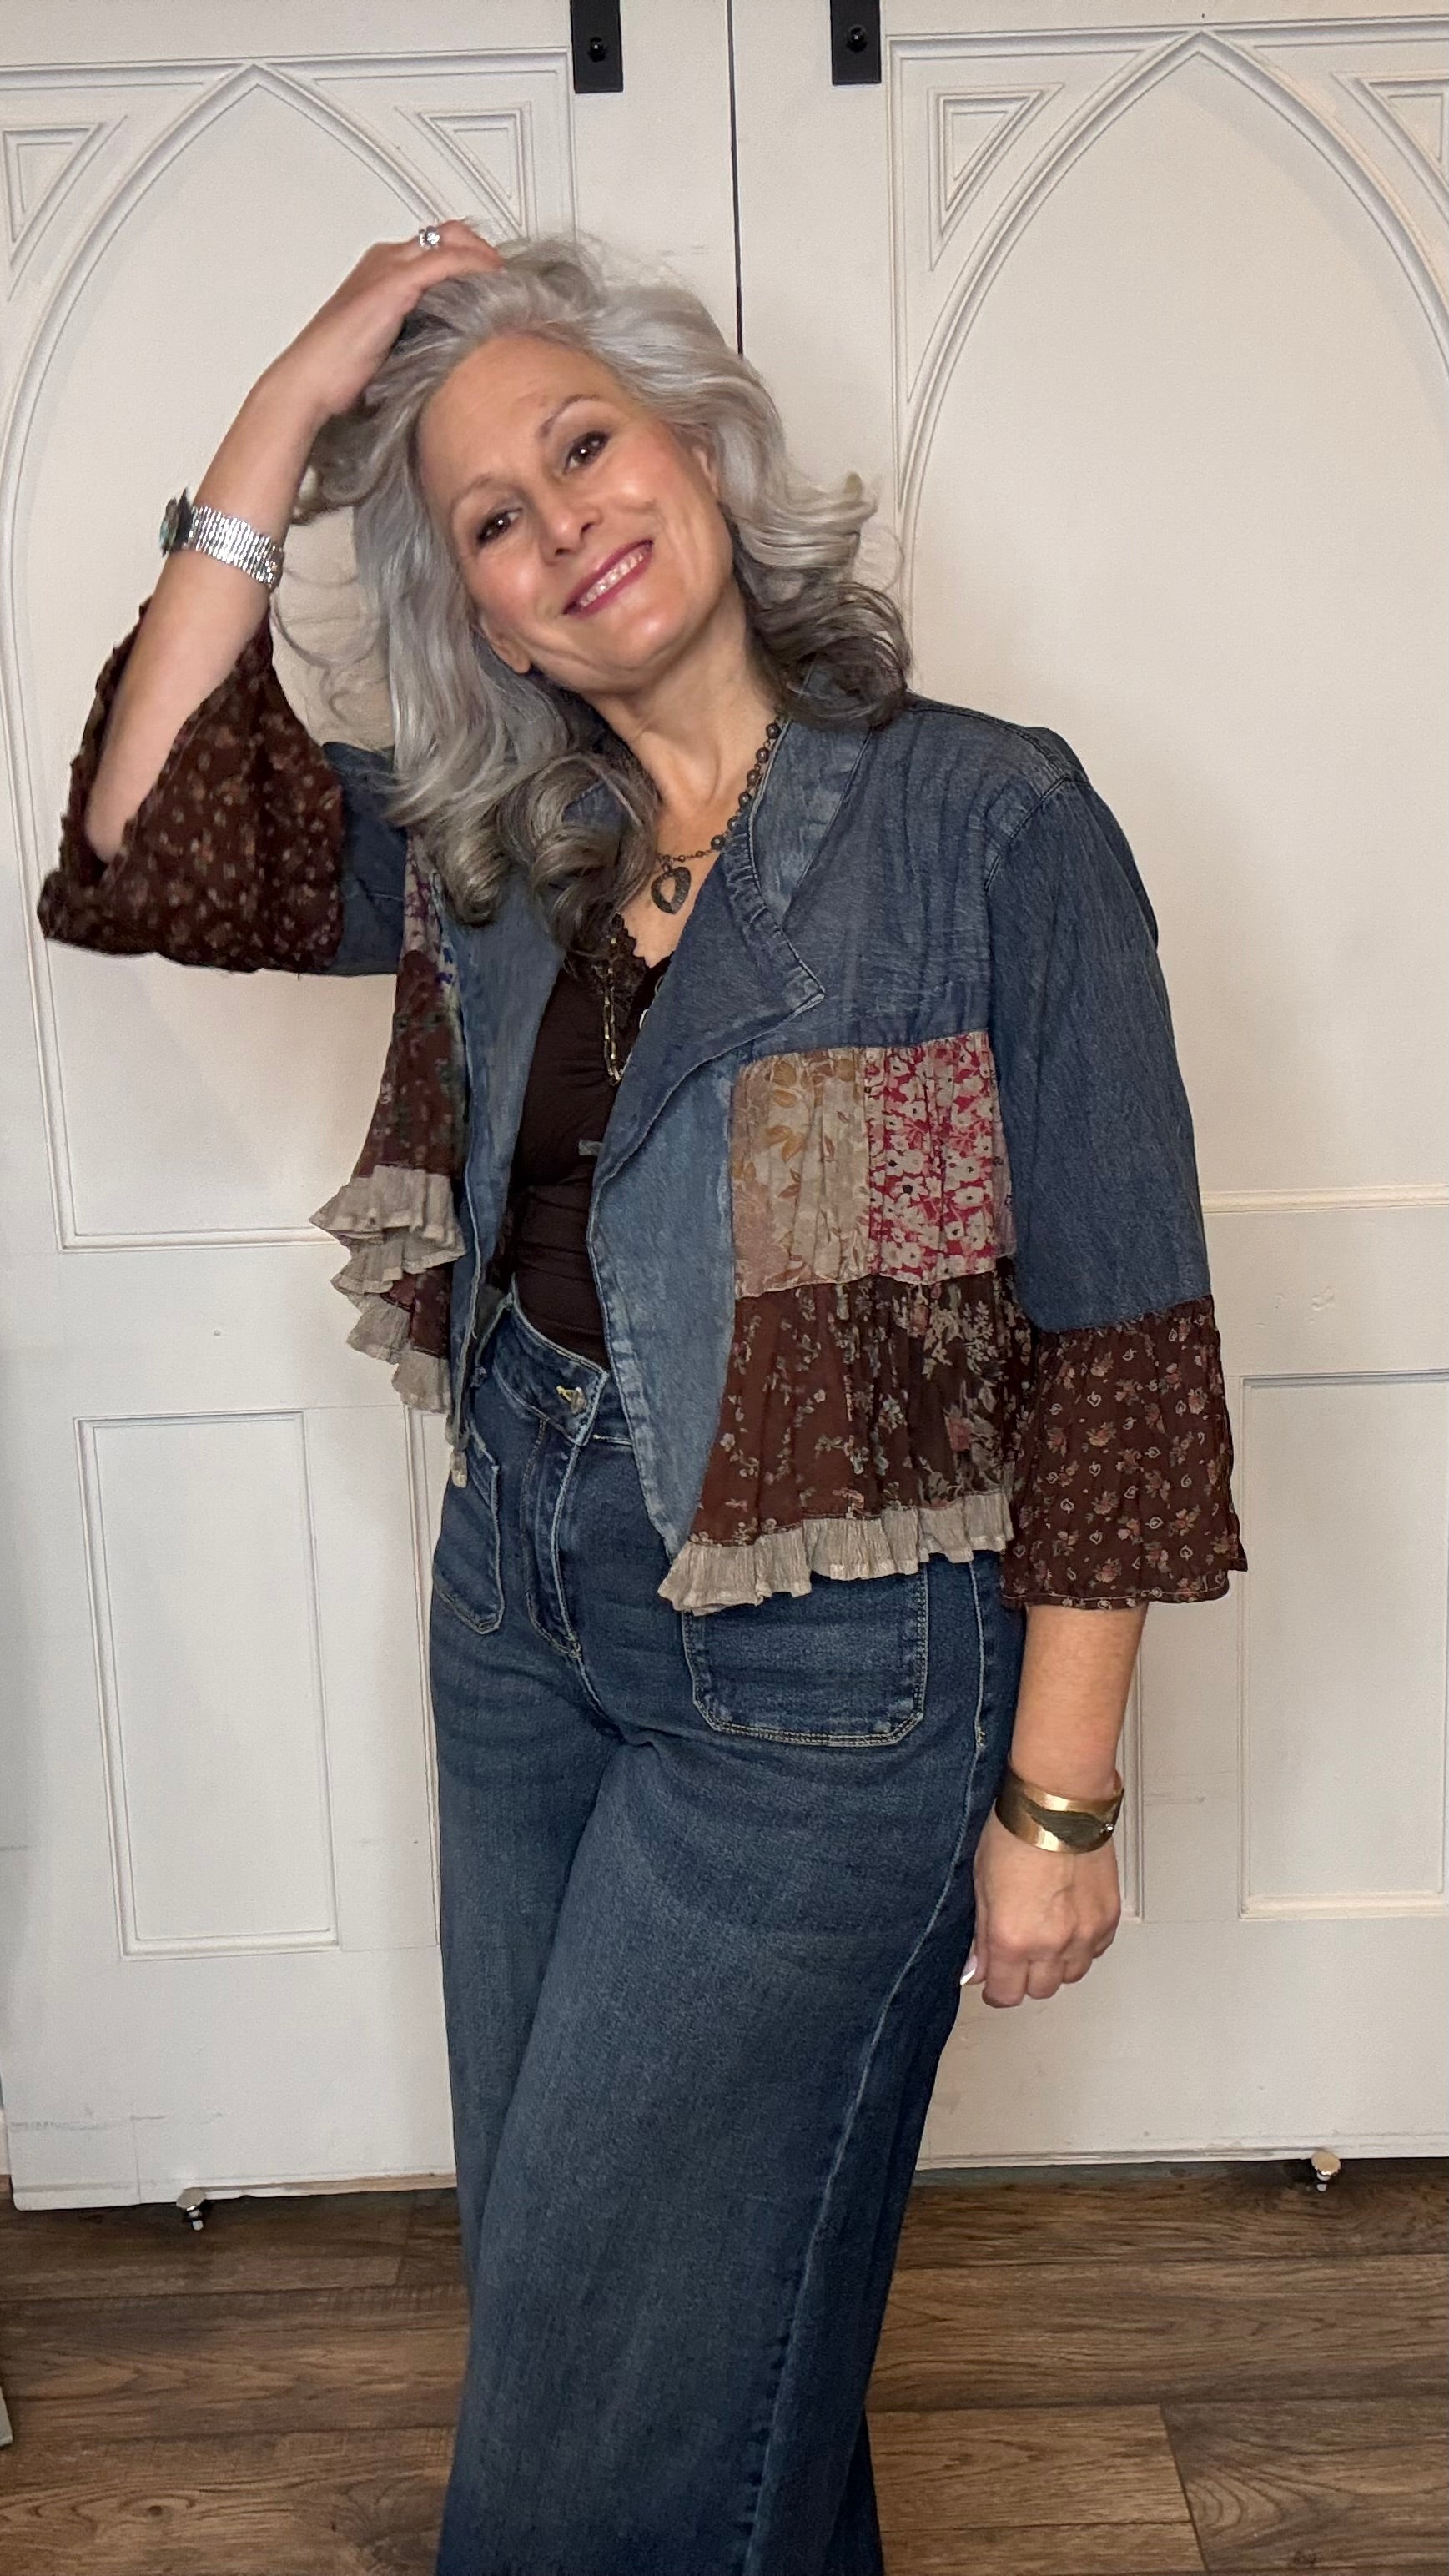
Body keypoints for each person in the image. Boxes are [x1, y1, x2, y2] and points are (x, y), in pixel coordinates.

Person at [38, 222, 1246, 2576]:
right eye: (489, 515)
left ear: (694, 448)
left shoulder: (989, 821)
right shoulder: (500, 846)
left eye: (581, 440)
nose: (559, 517)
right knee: (660, 2333)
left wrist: (1063, 1798)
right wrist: (296, 398)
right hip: (522, 1616)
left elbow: (1122, 1337)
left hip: (835, 1687)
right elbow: (136, 840)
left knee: (598, 2437)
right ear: (483, 612)